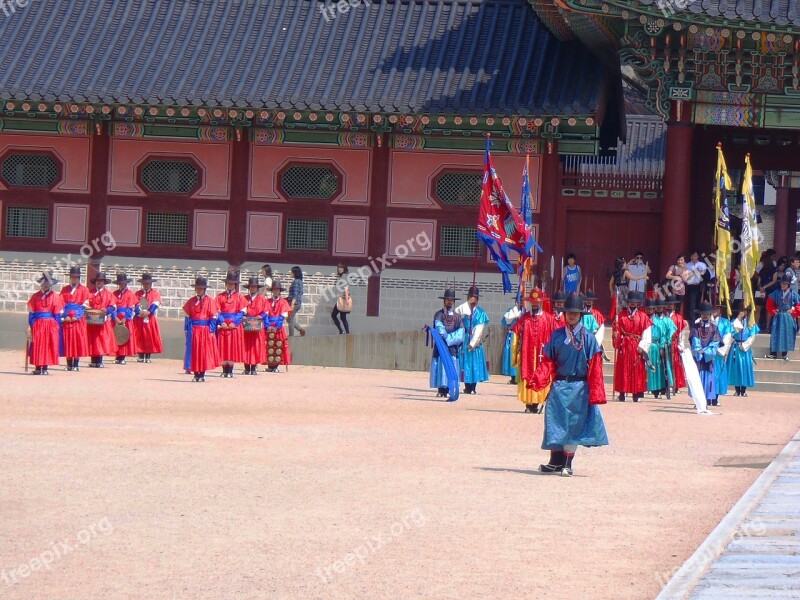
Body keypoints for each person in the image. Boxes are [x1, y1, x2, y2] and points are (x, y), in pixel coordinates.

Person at [529, 293, 608, 477]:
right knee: (554, 422)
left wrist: (596, 392)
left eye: (575, 312)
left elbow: (595, 367)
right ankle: (554, 462)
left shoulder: (588, 338)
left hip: (579, 388)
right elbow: (548, 361)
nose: (571, 315)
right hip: (558, 386)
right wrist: (538, 379)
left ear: (581, 314)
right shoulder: (557, 335)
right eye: (569, 312)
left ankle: (567, 462)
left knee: (573, 425)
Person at [512, 287, 557, 413]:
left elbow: (557, 336)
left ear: (541, 303)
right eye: (533, 303)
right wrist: (516, 354)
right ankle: (528, 404)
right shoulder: (524, 318)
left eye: (537, 303)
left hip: (542, 355)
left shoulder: (549, 319)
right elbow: (516, 334)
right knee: (528, 375)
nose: (535, 305)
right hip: (527, 354)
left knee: (541, 375)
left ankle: (537, 402)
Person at [612, 290, 650, 402]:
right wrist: (616, 335)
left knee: (637, 369)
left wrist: (642, 346)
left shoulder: (643, 316)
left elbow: (647, 333)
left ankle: (636, 393)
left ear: (638, 303)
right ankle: (622, 392)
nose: (632, 304)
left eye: (635, 302)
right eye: (630, 302)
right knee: (623, 368)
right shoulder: (621, 316)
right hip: (625, 345)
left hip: (637, 345)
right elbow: (617, 330)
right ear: (627, 303)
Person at [183, 276, 220, 382]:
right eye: (197, 288)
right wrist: (186, 329)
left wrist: (211, 331)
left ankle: (202, 374)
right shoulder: (191, 301)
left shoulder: (210, 301)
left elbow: (213, 317)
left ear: (204, 289)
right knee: (194, 351)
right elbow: (187, 316)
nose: (199, 290)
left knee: (203, 352)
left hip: (205, 330)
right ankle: (195, 374)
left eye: (201, 288)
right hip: (193, 329)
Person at [429, 289, 465, 399]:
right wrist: (444, 337)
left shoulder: (458, 317)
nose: (449, 302)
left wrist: (449, 339)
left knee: (451, 366)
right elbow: (439, 327)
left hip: (452, 347)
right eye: (447, 300)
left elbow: (461, 332)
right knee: (441, 365)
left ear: (453, 302)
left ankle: (449, 388)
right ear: (444, 300)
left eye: (451, 300)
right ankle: (441, 389)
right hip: (441, 346)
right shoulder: (438, 314)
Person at [27, 271, 64, 375]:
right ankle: (38, 367)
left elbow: (57, 314)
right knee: (38, 345)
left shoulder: (56, 297)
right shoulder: (35, 297)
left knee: (48, 345)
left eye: (48, 284)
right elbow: (31, 313)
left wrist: (57, 326)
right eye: (44, 284)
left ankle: (45, 368)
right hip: (38, 324)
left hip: (50, 324)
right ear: (41, 284)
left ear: (51, 285)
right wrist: (32, 324)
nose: (46, 286)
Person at [455, 286, 490, 395]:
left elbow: (479, 328)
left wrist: (473, 343)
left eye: (475, 298)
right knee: (466, 363)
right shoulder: (464, 309)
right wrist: (467, 304)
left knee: (474, 362)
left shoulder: (481, 313)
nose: (473, 300)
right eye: (471, 298)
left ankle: (473, 386)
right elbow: (456, 312)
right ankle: (467, 386)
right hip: (465, 338)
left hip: (475, 340)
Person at [641, 298, 676, 399]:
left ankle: (660, 388)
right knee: (646, 368)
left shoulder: (660, 321)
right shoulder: (646, 319)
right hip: (645, 345)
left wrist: (662, 347)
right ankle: (647, 388)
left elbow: (663, 335)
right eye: (648, 309)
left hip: (657, 346)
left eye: (651, 309)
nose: (650, 311)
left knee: (658, 368)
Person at [216, 271, 247, 378]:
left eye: (232, 283)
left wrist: (235, 322)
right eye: (228, 283)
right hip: (223, 325)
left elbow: (241, 312)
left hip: (234, 326)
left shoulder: (240, 297)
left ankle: (230, 370)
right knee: (223, 347)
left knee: (232, 348)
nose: (230, 285)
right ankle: (224, 370)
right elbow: (217, 311)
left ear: (235, 284)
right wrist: (222, 322)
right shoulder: (220, 297)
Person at [690, 302, 722, 407]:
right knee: (698, 378)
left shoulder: (714, 328)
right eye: (703, 313)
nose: (705, 315)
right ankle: (697, 401)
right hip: (698, 356)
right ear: (700, 314)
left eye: (707, 313)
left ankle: (706, 401)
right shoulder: (695, 327)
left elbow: (716, 342)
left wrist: (706, 351)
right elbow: (694, 340)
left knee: (708, 380)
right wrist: (698, 350)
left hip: (709, 357)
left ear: (710, 315)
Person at [59, 266, 90, 372]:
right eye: (72, 277)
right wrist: (65, 315)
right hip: (67, 318)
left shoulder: (84, 290)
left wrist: (77, 316)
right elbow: (61, 303)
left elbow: (85, 304)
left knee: (77, 340)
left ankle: (76, 364)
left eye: (76, 277)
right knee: (68, 340)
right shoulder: (64, 289)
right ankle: (69, 364)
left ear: (79, 278)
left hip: (78, 319)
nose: (74, 279)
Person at [766, 272, 800, 360]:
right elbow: (769, 302)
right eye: (782, 283)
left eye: (785, 283)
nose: (783, 285)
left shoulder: (793, 294)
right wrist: (774, 311)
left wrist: (793, 312)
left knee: (787, 333)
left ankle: (785, 354)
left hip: (788, 316)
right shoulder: (776, 293)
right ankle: (773, 353)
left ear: (789, 285)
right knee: (775, 332)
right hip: (779, 315)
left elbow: (798, 305)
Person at [728, 305, 759, 397]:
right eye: (741, 310)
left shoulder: (751, 323)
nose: (743, 312)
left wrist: (745, 345)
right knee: (736, 368)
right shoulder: (735, 321)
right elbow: (734, 330)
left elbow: (752, 336)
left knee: (745, 367)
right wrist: (738, 318)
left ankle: (744, 390)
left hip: (745, 348)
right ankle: (737, 390)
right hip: (736, 347)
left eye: (745, 310)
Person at [87, 272, 116, 368]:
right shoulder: (90, 292)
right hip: (91, 319)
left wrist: (106, 310)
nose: (99, 282)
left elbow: (113, 307)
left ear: (104, 282)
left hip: (103, 320)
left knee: (101, 339)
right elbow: (85, 304)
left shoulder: (109, 294)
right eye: (97, 281)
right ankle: (93, 360)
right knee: (92, 340)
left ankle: (99, 360)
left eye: (101, 281)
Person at [134, 273, 163, 363]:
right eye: (144, 283)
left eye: (148, 283)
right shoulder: (138, 293)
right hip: (139, 318)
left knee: (149, 336)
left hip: (150, 318)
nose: (146, 285)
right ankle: (140, 355)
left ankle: (148, 356)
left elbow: (155, 303)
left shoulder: (155, 293)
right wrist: (140, 311)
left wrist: (148, 312)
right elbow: (135, 303)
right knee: (139, 336)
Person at [265, 280, 292, 372]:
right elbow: (265, 314)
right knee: (268, 345)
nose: (275, 291)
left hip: (278, 326)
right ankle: (270, 365)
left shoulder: (283, 302)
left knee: (278, 345)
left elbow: (282, 315)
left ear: (280, 291)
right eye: (274, 289)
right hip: (269, 326)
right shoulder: (267, 301)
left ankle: (277, 365)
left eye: (277, 290)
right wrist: (267, 325)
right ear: (272, 291)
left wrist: (277, 326)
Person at [242, 277, 267, 375]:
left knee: (255, 346)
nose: (252, 288)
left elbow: (266, 312)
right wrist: (244, 317)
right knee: (246, 346)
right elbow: (241, 311)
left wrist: (260, 316)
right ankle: (247, 367)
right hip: (247, 322)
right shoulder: (244, 298)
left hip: (257, 322)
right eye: (251, 287)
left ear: (257, 288)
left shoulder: (262, 299)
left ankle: (253, 367)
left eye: (254, 287)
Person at [665, 295, 688, 395]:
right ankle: (666, 385)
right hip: (664, 343)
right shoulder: (663, 317)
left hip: (674, 343)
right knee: (665, 364)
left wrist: (681, 345)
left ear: (674, 305)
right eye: (668, 304)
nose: (670, 306)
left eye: (671, 304)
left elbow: (681, 333)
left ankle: (676, 385)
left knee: (675, 364)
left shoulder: (678, 318)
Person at [712, 302, 734, 397]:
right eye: (714, 308)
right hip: (708, 352)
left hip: (719, 351)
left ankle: (716, 396)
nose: (715, 311)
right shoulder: (705, 321)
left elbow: (728, 336)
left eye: (717, 309)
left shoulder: (725, 322)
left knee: (718, 372)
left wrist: (720, 348)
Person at [755, 251, 778, 330]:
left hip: (769, 291)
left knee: (768, 308)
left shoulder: (774, 269)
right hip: (762, 291)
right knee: (758, 307)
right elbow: (759, 280)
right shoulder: (762, 270)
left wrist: (764, 287)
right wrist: (760, 286)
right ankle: (756, 325)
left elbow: (774, 280)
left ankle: (767, 326)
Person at [583, 290, 608, 360]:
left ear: (592, 301)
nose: (588, 301)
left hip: (594, 342)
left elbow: (601, 331)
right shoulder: (580, 313)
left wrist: (595, 343)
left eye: (590, 300)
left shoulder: (597, 314)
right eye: (587, 300)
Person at [501, 302, 521, 384]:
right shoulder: (511, 311)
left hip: (521, 335)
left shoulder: (526, 311)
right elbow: (505, 321)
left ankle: (519, 377)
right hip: (513, 335)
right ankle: (513, 377)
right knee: (512, 356)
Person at [684, 251, 708, 320]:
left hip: (700, 286)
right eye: (692, 256)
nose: (693, 257)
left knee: (700, 303)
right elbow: (685, 275)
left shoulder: (702, 265)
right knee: (692, 304)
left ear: (697, 256)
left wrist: (699, 272)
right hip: (691, 286)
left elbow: (705, 275)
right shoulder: (687, 265)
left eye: (695, 256)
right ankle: (693, 320)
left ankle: (699, 319)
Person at [331, 263, 351, 335]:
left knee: (339, 316)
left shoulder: (345, 277)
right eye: (339, 267)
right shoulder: (339, 277)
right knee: (341, 317)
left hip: (343, 299)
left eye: (341, 267)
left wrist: (346, 301)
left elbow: (346, 289)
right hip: (340, 299)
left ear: (344, 269)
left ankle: (344, 331)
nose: (339, 269)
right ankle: (344, 331)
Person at [287, 266, 306, 337]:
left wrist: (292, 304)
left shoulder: (295, 281)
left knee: (290, 318)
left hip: (294, 303)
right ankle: (300, 329)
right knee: (289, 318)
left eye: (291, 272)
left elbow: (295, 294)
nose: (290, 273)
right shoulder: (300, 281)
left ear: (295, 273)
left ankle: (291, 335)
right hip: (298, 302)